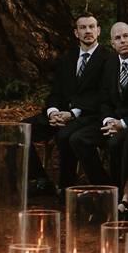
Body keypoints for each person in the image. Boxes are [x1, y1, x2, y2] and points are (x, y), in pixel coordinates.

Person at [23, 14, 110, 196]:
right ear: (76, 33)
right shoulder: (66, 60)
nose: (88, 31)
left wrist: (73, 113)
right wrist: (53, 112)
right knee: (21, 130)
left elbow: (102, 96)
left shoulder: (108, 59)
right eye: (83, 28)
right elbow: (55, 93)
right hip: (60, 115)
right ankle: (42, 180)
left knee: (64, 136)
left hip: (87, 115)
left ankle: (66, 187)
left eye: (92, 27)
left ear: (99, 31)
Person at [70, 21, 128, 189]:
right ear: (112, 44)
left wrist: (122, 124)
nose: (122, 41)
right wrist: (108, 121)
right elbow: (105, 100)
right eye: (117, 38)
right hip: (115, 122)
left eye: (126, 36)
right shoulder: (110, 65)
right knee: (78, 139)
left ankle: (121, 192)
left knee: (115, 143)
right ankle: (104, 187)